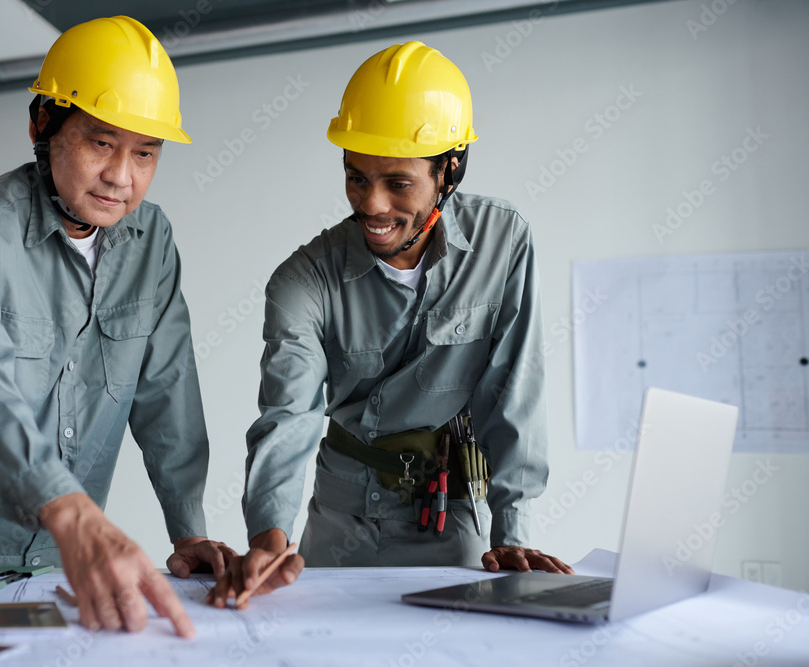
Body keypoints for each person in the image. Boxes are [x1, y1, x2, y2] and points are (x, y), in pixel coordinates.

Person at [0, 16, 234, 636]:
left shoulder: (152, 241)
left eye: (145, 152)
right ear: (42, 124)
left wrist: (187, 526)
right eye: (100, 143)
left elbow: (168, 390)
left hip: (59, 562)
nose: (122, 175)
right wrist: (76, 516)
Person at [211, 41, 572, 607]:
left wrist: (514, 536)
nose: (372, 205)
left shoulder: (503, 244)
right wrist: (269, 538)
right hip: (341, 522)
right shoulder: (303, 280)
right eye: (356, 177)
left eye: (398, 183)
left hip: (450, 518)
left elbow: (514, 395)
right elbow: (289, 416)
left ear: (449, 170)